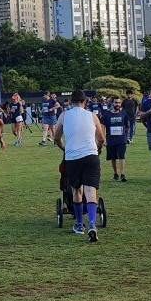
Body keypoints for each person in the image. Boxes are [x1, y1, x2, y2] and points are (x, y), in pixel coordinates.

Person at [54, 89, 105, 242]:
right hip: (91, 155)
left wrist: (64, 148)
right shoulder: (92, 116)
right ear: (85, 102)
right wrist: (98, 149)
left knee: (77, 191)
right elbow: (101, 139)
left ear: (70, 102)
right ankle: (91, 224)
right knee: (91, 192)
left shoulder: (64, 115)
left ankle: (79, 224)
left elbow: (56, 138)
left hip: (73, 157)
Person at [100, 96, 129, 182]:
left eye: (119, 103)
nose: (117, 104)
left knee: (121, 156)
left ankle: (122, 175)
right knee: (113, 158)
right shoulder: (106, 115)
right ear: (112, 103)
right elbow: (102, 127)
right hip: (110, 140)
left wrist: (126, 137)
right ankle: (116, 173)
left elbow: (127, 127)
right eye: (116, 103)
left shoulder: (124, 114)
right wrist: (104, 139)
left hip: (121, 139)